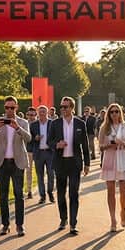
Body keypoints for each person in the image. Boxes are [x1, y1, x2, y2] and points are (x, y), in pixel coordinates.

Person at [0, 96, 31, 237]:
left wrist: (17, 128)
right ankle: (5, 225)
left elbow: (28, 138)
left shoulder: (22, 122)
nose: (9, 110)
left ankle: (20, 225)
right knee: (3, 196)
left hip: (17, 163)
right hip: (2, 163)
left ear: (17, 108)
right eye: (7, 107)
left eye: (12, 107)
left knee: (19, 195)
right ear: (4, 108)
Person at [48, 96, 90, 235]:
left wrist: (87, 164)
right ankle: (63, 219)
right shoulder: (55, 124)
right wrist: (57, 145)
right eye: (61, 107)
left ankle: (73, 223)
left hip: (74, 163)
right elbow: (49, 142)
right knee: (61, 194)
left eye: (65, 107)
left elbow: (85, 144)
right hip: (60, 163)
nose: (63, 109)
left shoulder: (79, 123)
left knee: (73, 193)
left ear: (71, 108)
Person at [97, 103, 125, 230]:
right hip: (110, 159)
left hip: (123, 158)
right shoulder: (104, 127)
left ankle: (123, 211)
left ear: (120, 113)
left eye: (116, 111)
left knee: (124, 191)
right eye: (111, 112)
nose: (114, 114)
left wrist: (123, 143)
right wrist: (108, 146)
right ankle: (113, 219)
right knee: (110, 191)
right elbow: (100, 147)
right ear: (108, 114)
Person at [30, 105, 55, 204]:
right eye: (40, 112)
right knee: (40, 176)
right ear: (37, 113)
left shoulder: (52, 124)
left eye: (44, 112)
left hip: (50, 153)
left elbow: (56, 137)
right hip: (38, 153)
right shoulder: (33, 125)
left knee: (51, 174)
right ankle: (42, 196)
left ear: (47, 113)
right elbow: (29, 139)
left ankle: (50, 193)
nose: (42, 114)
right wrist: (35, 138)